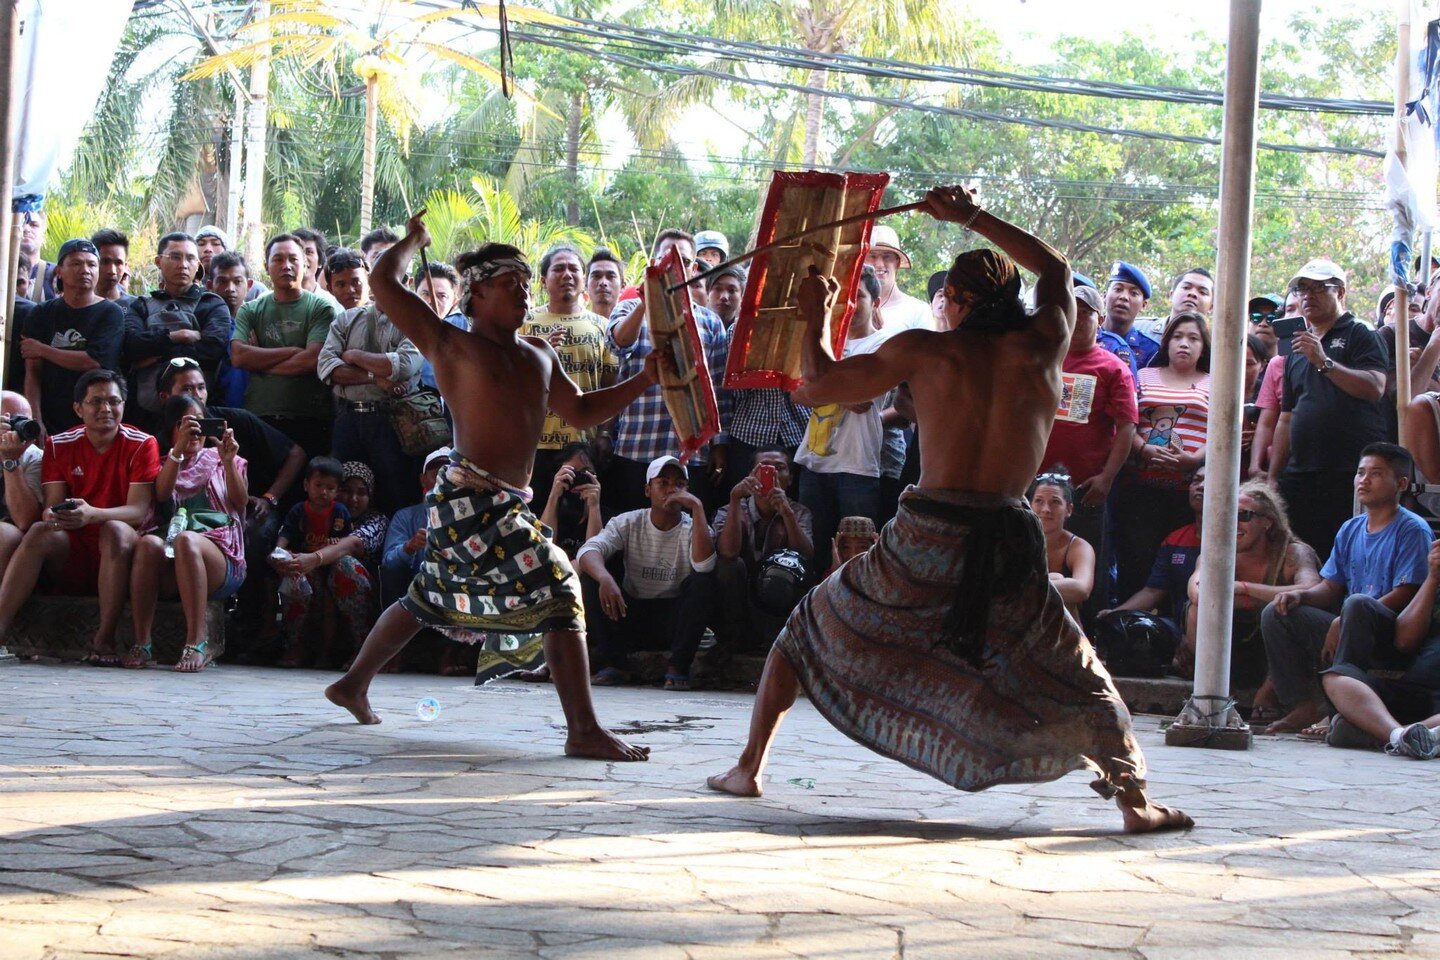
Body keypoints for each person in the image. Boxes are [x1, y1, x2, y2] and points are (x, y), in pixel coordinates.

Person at [706, 185, 1190, 833]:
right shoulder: (1045, 339)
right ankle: (1134, 805)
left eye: (949, 298)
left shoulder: (927, 352)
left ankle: (749, 767)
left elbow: (819, 387)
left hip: (928, 533)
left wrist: (813, 313)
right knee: (1071, 664)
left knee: (807, 629)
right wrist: (970, 217)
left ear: (959, 302)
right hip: (1008, 535)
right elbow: (1056, 270)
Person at [325, 214, 660, 762]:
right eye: (512, 285)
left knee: (427, 595)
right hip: (465, 497)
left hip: (507, 502)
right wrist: (410, 242)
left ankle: (352, 684)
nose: (525, 294)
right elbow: (384, 285)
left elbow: (580, 411)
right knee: (558, 584)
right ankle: (583, 730)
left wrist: (644, 379)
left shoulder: (539, 355)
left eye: (528, 285)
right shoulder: (448, 342)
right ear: (476, 294)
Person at [1262, 443, 1431, 735]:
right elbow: (1330, 585)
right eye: (1360, 472)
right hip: (1352, 621)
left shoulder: (1412, 529)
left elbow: (1409, 592)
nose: (1363, 480)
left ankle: (1336, 707)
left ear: (1401, 483)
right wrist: (1300, 594)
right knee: (1277, 611)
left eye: (1376, 474)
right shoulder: (1350, 528)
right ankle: (1303, 704)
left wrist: (1344, 618)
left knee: (1357, 604)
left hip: (1392, 631)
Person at [0, 370, 158, 664]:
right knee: (38, 530)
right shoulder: (60, 444)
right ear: (78, 408)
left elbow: (137, 512)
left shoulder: (142, 443)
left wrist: (92, 514)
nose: (106, 409)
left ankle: (104, 638)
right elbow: (52, 505)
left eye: (114, 401)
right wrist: (57, 514)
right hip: (74, 543)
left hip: (118, 546)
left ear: (124, 404)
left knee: (114, 529)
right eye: (95, 401)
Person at [606, 229, 731, 515]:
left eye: (682, 261)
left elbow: (720, 393)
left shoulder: (710, 322)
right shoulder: (627, 308)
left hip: (690, 455)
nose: (672, 268)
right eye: (665, 260)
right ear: (653, 262)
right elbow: (618, 343)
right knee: (628, 533)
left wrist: (719, 446)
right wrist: (645, 300)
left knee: (685, 538)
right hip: (636, 447)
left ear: (692, 269)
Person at [1270, 259, 1387, 559]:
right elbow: (1286, 416)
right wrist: (1274, 475)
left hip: (1347, 471)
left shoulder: (1360, 333)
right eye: (1302, 288)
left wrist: (1323, 361)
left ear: (1341, 292)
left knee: (1347, 554)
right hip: (1301, 473)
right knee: (1301, 554)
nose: (1308, 295)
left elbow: (1374, 387)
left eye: (1320, 287)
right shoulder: (1296, 349)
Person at [125, 394, 247, 672]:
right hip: (172, 560)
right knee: (146, 545)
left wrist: (227, 461)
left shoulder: (228, 459)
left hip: (221, 559)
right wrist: (178, 451)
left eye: (200, 423)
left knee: (187, 540)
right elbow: (163, 493)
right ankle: (142, 643)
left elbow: (240, 502)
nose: (195, 431)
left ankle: (196, 642)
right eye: (186, 424)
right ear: (172, 428)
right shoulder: (164, 461)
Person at [575, 455, 716, 691]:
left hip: (673, 620)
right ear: (648, 490)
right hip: (629, 612)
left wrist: (698, 508)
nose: (672, 489)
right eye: (663, 483)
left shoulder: (695, 526)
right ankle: (615, 664)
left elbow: (704, 567)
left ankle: (678, 667)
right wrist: (605, 578)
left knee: (703, 583)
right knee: (591, 577)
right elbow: (589, 550)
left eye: (679, 484)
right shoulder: (629, 521)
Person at [1040, 283, 1136, 622]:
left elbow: (1127, 427)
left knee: (1086, 560)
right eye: (1073, 312)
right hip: (1036, 485)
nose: (1079, 319)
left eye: (1087, 313)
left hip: (1084, 487)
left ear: (1101, 319)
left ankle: (1093, 642)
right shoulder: (1045, 356)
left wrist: (1107, 478)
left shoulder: (1113, 368)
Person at [1181, 482, 1321, 713]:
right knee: (1197, 610)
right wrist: (1251, 598)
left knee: (1280, 610)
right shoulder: (1217, 550)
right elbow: (1197, 592)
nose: (1234, 523)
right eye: (1228, 514)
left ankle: (1268, 696)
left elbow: (1311, 588)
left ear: (1267, 522)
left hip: (1279, 651)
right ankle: (1219, 693)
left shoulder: (1292, 552)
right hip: (1233, 649)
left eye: (1243, 515)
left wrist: (1242, 588)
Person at [794, 264, 888, 571]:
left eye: (858, 296)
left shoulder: (885, 344)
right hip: (813, 462)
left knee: (860, 557)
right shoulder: (823, 340)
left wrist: (819, 388)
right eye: (844, 296)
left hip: (857, 466)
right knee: (812, 551)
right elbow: (795, 393)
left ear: (875, 303)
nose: (849, 303)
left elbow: (862, 398)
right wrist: (833, 391)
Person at [1113, 311, 1211, 605]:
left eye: (1193, 338)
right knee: (1136, 564)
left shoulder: (1214, 382)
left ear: (1204, 346)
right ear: (1166, 343)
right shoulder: (1142, 376)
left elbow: (1223, 432)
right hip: (1140, 490)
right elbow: (1124, 421)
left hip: (1187, 495)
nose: (1185, 344)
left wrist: (1193, 460)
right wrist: (1143, 448)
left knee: (1178, 570)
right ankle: (1128, 629)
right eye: (1178, 337)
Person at [1320, 537, 1440, 758]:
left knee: (1344, 729)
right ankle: (1400, 735)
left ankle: (1381, 733)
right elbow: (1404, 641)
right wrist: (1432, 578)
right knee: (1336, 678)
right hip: (1413, 691)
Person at [318, 268, 424, 516]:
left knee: (394, 490)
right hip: (348, 418)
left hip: (392, 420)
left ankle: (392, 551)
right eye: (377, 282)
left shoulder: (414, 321)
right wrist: (375, 377)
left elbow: (403, 366)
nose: (382, 287)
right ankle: (339, 546)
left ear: (405, 283)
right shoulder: (347, 320)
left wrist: (353, 356)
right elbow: (326, 368)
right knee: (340, 490)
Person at [522, 244, 619, 516]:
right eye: (559, 268)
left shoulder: (602, 325)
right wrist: (536, 353)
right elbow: (507, 380)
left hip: (582, 445)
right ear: (544, 280)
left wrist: (604, 432)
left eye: (574, 268)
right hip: (532, 446)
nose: (567, 274)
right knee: (534, 522)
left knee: (578, 521)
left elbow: (609, 386)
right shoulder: (525, 323)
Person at [231, 234, 337, 458]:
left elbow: (312, 360)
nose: (286, 265)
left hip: (309, 417)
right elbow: (239, 357)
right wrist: (292, 351)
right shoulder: (250, 310)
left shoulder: (321, 308)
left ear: (305, 263)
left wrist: (259, 362)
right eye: (277, 259)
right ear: (266, 265)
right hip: (260, 414)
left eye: (293, 259)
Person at [710, 448, 815, 657]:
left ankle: (776, 641)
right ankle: (733, 637)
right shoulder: (729, 508)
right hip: (739, 596)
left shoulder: (799, 511)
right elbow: (728, 552)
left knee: (785, 565)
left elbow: (805, 557)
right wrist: (733, 500)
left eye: (780, 468)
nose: (773, 474)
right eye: (765, 468)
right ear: (751, 476)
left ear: (791, 478)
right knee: (727, 567)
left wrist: (787, 514)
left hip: (776, 597)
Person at [122, 232, 231, 422]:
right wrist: (179, 336)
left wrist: (155, 355)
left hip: (201, 414)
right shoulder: (141, 305)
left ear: (198, 264)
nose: (183, 265)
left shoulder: (212, 304)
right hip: (145, 414)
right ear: (158, 261)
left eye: (190, 258)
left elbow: (212, 349)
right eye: (175, 257)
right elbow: (132, 345)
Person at [20, 240, 125, 436]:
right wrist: (35, 419)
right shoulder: (41, 313)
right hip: (51, 418)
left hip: (97, 421)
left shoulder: (111, 313)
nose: (85, 270)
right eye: (76, 263)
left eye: (92, 264)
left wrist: (43, 349)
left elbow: (94, 361)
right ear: (59, 271)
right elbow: (33, 372)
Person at [270, 456, 367, 668]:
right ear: (306, 485)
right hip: (305, 568)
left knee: (331, 605)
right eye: (318, 485)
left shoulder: (339, 512)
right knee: (295, 584)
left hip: (332, 570)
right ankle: (294, 646)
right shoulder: (299, 511)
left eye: (330, 488)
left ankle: (341, 651)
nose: (323, 492)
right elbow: (286, 533)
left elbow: (345, 542)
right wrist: (279, 552)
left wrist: (334, 544)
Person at [380, 446, 451, 608]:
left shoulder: (468, 513)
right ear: (422, 479)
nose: (442, 480)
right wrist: (409, 547)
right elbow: (388, 566)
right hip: (414, 596)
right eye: (436, 474)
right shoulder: (405, 517)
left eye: (447, 474)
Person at [1030, 470, 1094, 626]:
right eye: (1039, 501)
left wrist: (1026, 590)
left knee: (1057, 579)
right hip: (1021, 620)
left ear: (1069, 510)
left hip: (1062, 626)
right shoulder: (1018, 539)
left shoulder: (1079, 546)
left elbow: (1081, 589)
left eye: (1055, 502)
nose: (1046, 509)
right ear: (1030, 506)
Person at [0, 393, 46, 578]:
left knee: (4, 534)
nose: (17, 429)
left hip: (11, 531)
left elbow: (25, 520)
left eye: (23, 421)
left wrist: (10, 460)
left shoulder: (35, 457)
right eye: (10, 421)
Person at [863, 225, 931, 332]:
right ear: (863, 262)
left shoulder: (918, 310)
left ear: (897, 263)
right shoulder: (851, 308)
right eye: (873, 256)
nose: (880, 264)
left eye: (887, 256)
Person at [1102, 261, 1159, 369]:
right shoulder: (1085, 337)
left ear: (1143, 305)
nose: (1124, 297)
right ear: (1104, 296)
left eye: (1133, 293)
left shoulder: (1151, 350)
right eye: (1118, 289)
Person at [18, 207, 56, 302]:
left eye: (34, 225)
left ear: (43, 233)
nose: (26, 229)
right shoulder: (3, 271)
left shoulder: (56, 273)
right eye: (21, 223)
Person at [91, 229, 134, 307]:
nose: (112, 271)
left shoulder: (135, 306)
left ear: (125, 266)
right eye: (105, 262)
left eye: (118, 263)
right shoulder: (76, 305)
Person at [585, 249, 624, 322]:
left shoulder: (638, 326)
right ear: (586, 285)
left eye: (610, 276)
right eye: (596, 276)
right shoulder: (577, 327)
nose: (603, 282)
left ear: (623, 286)